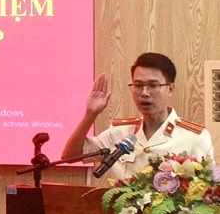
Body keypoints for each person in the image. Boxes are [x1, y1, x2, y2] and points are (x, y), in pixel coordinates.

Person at [62, 52, 214, 181]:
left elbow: (207, 190)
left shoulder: (194, 137)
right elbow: (70, 156)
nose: (144, 93)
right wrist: (90, 114)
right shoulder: (119, 133)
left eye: (153, 85)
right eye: (138, 85)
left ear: (170, 89)